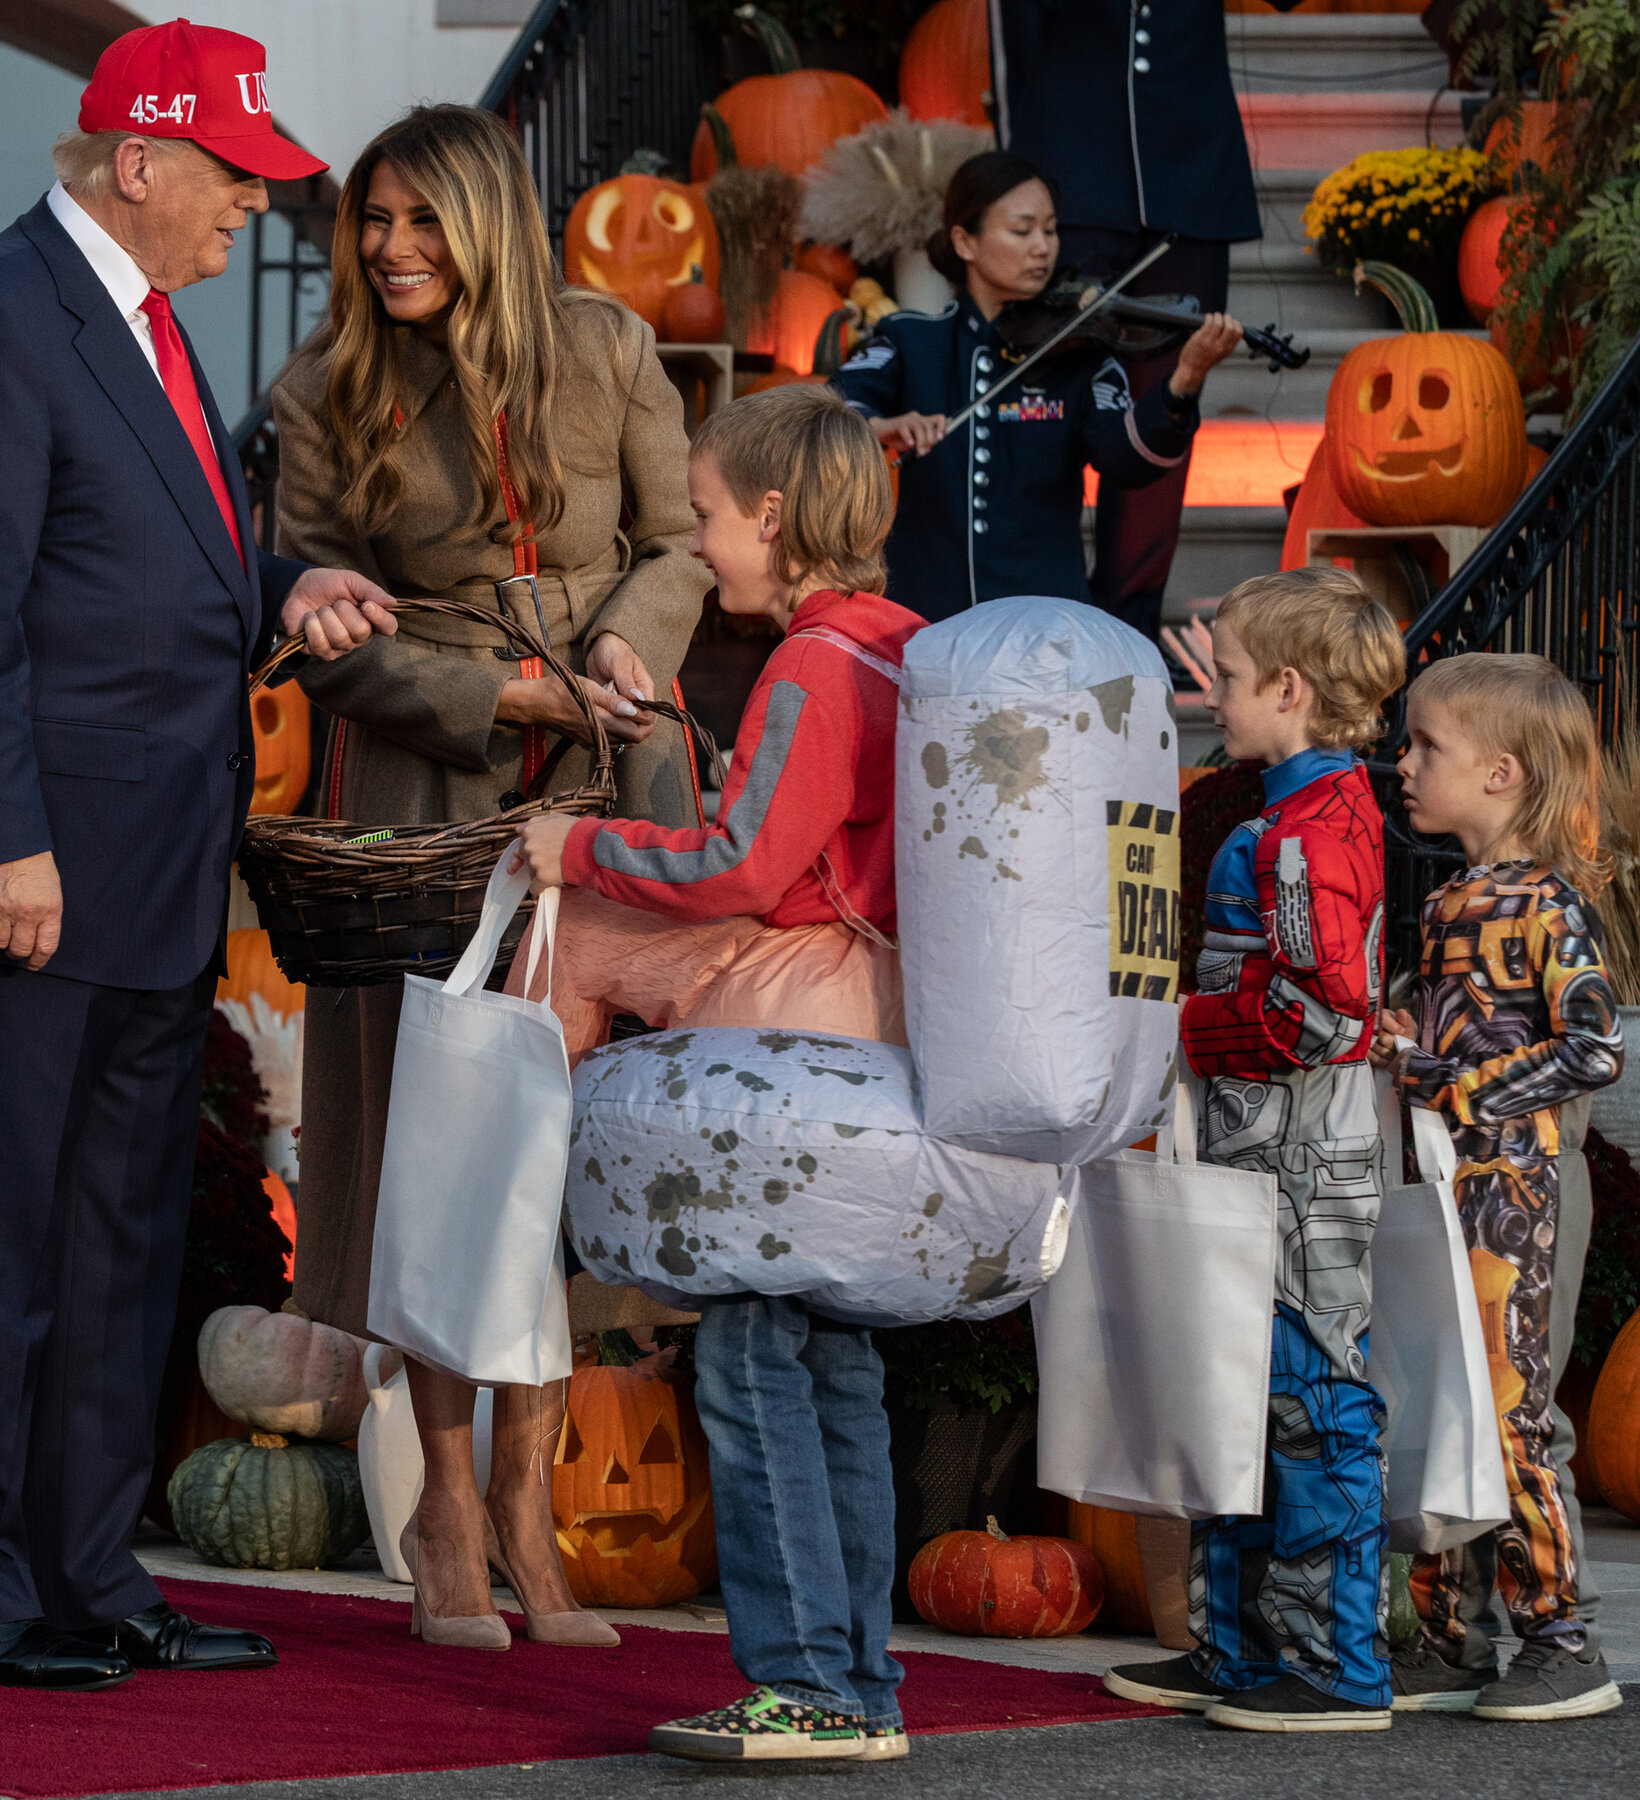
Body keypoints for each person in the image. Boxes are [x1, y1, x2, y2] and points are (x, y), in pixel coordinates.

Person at [0, 20, 396, 1690]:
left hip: (154, 868)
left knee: (116, 1244)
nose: (249, 209)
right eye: (234, 175)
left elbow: (136, 537)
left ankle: (86, 1576)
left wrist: (274, 576)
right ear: (140, 161)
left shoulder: (143, 321)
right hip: (35, 874)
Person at [273, 104, 708, 1653]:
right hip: (429, 780)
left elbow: (685, 544)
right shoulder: (326, 387)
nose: (390, 249)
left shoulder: (603, 343)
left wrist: (623, 646)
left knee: (565, 1142)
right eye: (370, 222)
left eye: (420, 220)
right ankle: (449, 1502)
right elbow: (316, 635)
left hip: (610, 768)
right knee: (436, 1141)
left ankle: (536, 1495)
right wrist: (490, 699)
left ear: (485, 223)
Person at [513, 384, 921, 1761]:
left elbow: (741, 866)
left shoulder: (811, 664)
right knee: (832, 1366)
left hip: (794, 1031)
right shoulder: (896, 646)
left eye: (701, 519)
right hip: (875, 1036)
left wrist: (574, 849)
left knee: (748, 1356)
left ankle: (803, 1682)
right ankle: (858, 1685)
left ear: (773, 515)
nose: (695, 545)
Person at [1104, 566, 1406, 1730]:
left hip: (1301, 1166)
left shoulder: (1310, 835)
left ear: (1291, 690)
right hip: (1249, 1151)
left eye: (1225, 679)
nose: (1208, 694)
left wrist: (1177, 1023)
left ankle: (1337, 1667)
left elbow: (1325, 1018)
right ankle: (1239, 1650)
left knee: (1312, 1395)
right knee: (1240, 1394)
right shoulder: (1281, 814)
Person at [1372, 653, 1624, 1722]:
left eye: (1428, 746)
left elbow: (1594, 1045)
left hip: (1523, 1191)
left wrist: (1454, 1079)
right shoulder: (1452, 900)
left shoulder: (1548, 907)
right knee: (1444, 1404)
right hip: (1447, 1185)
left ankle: (1562, 1636)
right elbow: (1443, 1027)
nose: (1404, 764)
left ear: (1504, 772)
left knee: (1513, 1410)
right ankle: (1450, 1635)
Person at [988, 0, 1300, 638]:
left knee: (1168, 408)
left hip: (1189, 178)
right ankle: (1032, 613)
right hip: (1068, 172)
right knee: (1045, 410)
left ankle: (1127, 628)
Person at [832, 152, 1240, 624]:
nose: (1043, 248)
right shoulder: (912, 339)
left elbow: (1128, 457)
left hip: (1045, 633)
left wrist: (1183, 383)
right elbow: (833, 405)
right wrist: (882, 426)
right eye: (1022, 231)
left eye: (1050, 230)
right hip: (923, 620)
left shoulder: (1079, 355)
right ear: (965, 242)